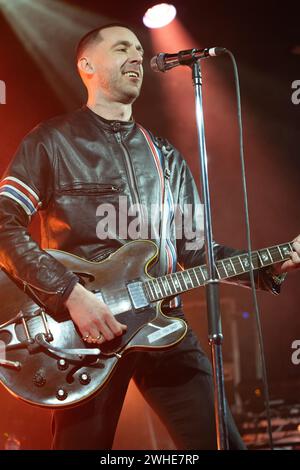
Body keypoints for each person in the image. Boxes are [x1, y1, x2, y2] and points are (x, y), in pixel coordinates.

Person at [0, 24, 299, 450]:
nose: (137, 56)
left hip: (163, 328)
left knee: (222, 446)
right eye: (122, 48)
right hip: (80, 333)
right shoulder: (52, 142)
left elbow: (198, 251)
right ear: (86, 65)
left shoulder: (167, 157)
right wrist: (70, 295)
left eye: (140, 49)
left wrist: (277, 261)